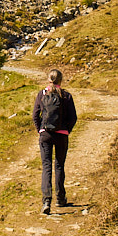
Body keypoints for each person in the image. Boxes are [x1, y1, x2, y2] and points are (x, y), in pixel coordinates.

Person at [32, 69, 77, 214]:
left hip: (45, 134)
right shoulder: (66, 96)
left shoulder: (42, 94)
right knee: (59, 165)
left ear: (48, 79)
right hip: (61, 135)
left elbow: (35, 115)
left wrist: (40, 130)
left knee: (46, 166)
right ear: (61, 80)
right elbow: (73, 117)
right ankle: (60, 198)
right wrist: (66, 130)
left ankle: (46, 200)